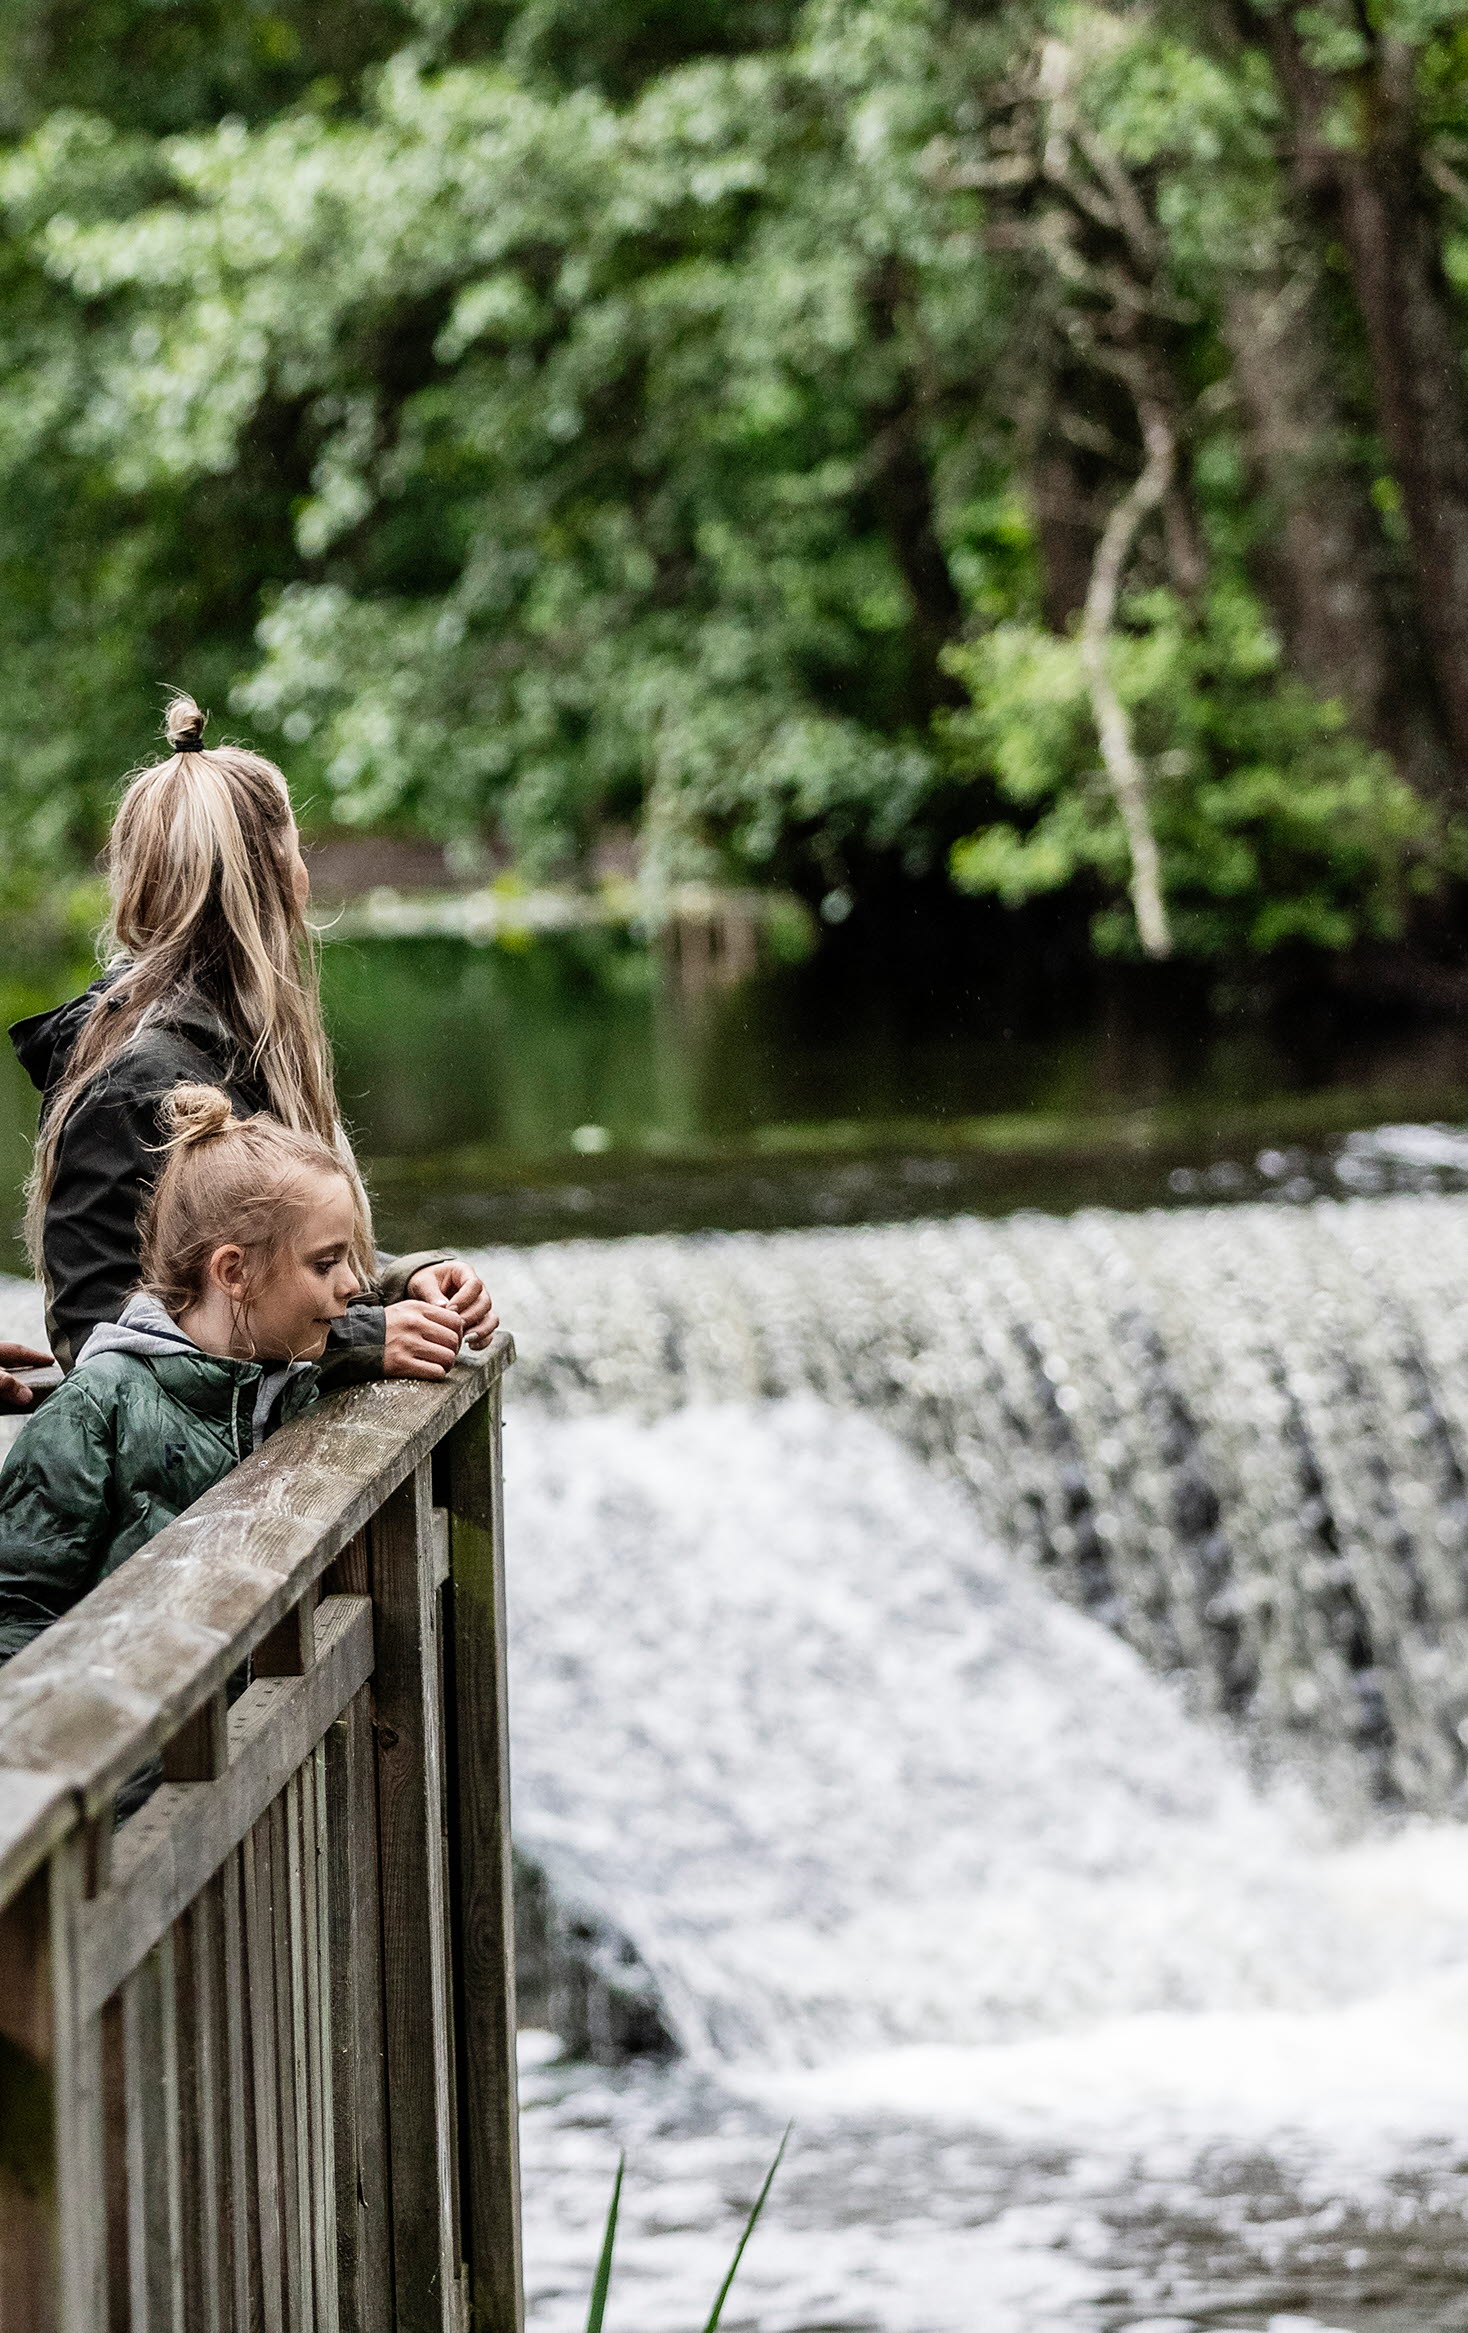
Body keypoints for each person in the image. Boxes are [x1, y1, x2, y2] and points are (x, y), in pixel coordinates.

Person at [11, 692, 495, 1383]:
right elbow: (102, 1341)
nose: (307, 878)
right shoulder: (134, 1080)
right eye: (297, 854)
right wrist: (356, 1338)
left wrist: (402, 1283)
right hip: (193, 1495)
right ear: (269, 884)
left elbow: (259, 1264)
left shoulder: (237, 1047)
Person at [0, 1085, 361, 1662]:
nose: (354, 1286)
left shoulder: (292, 1389)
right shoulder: (98, 1408)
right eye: (326, 1263)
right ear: (234, 1272)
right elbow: (17, 1607)